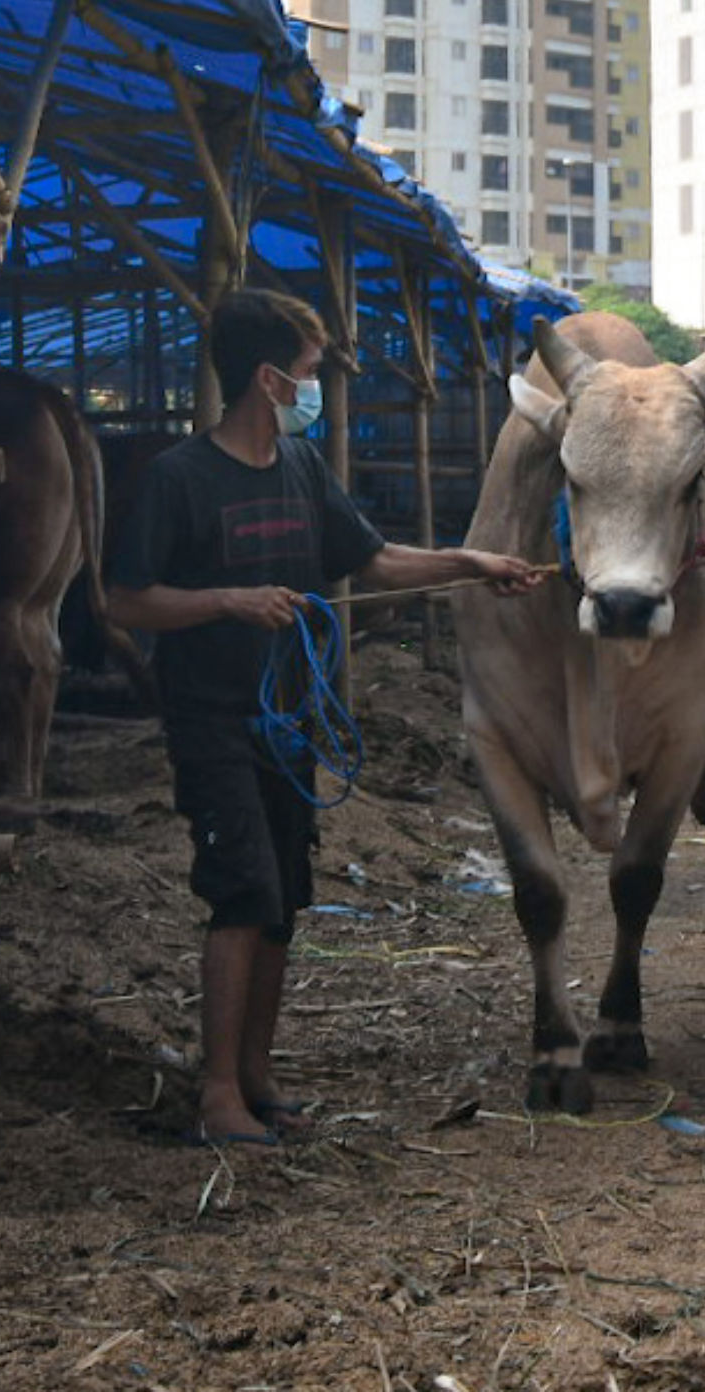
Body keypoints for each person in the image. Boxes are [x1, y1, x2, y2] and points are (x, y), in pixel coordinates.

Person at [106, 288, 541, 1147]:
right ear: (269, 380)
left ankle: (259, 1075)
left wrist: (472, 560)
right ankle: (219, 1091)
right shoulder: (179, 480)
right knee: (242, 893)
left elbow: (372, 560)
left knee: (287, 896)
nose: (318, 388)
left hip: (292, 718)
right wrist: (225, 601)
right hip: (215, 719)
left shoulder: (304, 471)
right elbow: (125, 601)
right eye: (309, 373)